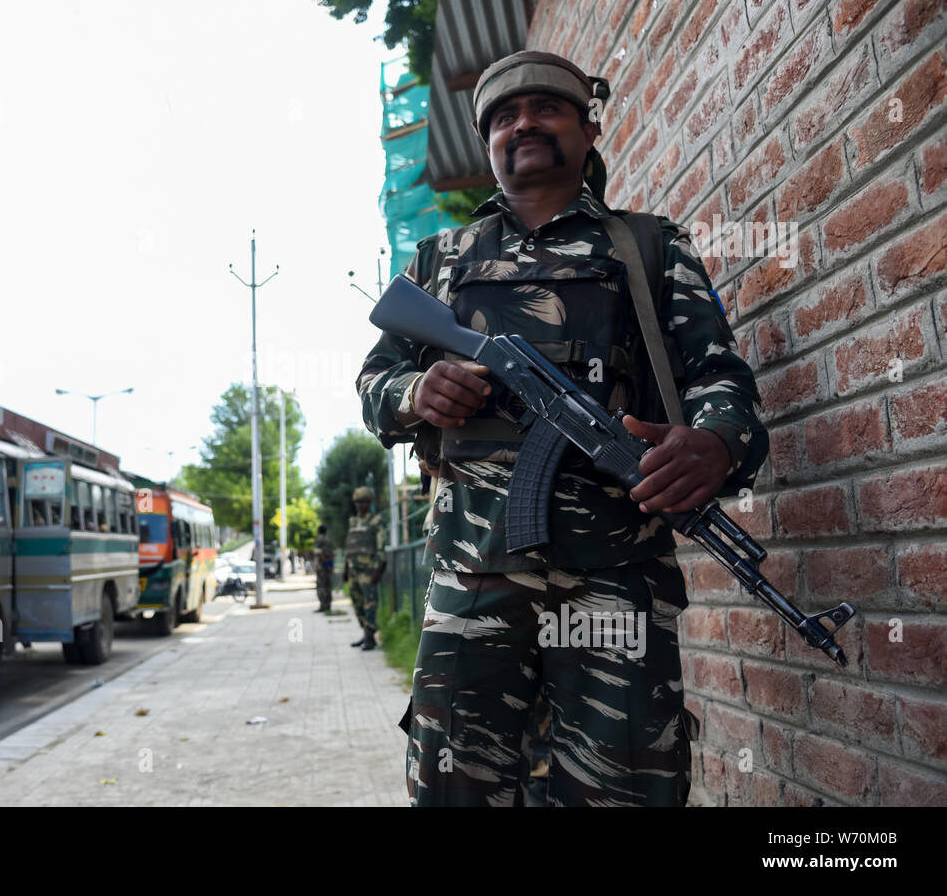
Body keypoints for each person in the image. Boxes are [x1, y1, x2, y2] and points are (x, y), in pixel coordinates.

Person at [356, 50, 768, 806]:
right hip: (472, 578)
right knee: (456, 788)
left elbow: (720, 377)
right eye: (504, 117)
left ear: (588, 128)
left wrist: (714, 443)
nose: (524, 125)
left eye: (545, 108)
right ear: (488, 146)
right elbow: (373, 384)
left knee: (623, 789)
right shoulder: (439, 260)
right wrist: (420, 390)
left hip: (615, 580)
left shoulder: (649, 247)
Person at [342, 486, 386, 650]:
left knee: (370, 604)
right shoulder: (352, 522)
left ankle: (370, 636)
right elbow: (349, 546)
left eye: (363, 502)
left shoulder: (376, 521)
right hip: (353, 570)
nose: (360, 505)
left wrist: (378, 569)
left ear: (369, 503)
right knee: (357, 603)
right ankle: (365, 633)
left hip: (368, 570)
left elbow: (381, 546)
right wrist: (346, 569)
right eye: (358, 502)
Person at [313, 523, 335, 612]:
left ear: (319, 531)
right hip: (329, 564)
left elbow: (317, 551)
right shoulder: (329, 540)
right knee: (328, 585)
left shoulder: (319, 539)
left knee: (321, 585)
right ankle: (328, 605)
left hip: (322, 565)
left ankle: (323, 606)